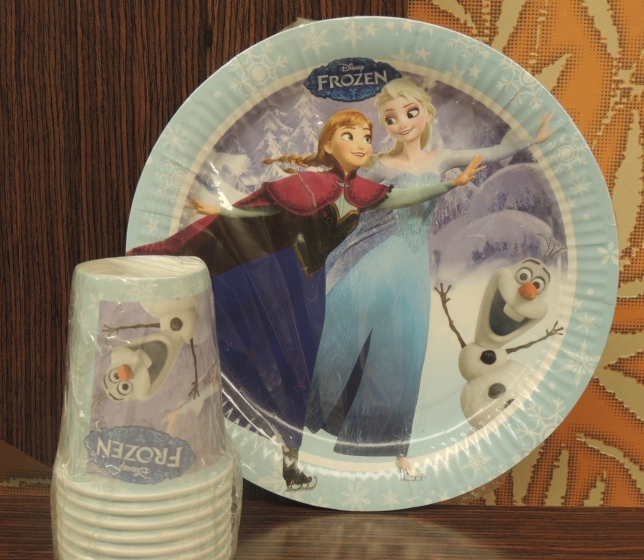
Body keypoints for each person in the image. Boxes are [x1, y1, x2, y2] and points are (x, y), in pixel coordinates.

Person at [129, 109, 481, 490]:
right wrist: (221, 211)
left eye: (366, 137)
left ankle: (290, 462)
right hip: (278, 276)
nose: (362, 144)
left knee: (300, 371)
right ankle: (211, 406)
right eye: (350, 136)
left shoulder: (365, 193)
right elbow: (264, 208)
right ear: (328, 145)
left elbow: (406, 196)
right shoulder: (309, 185)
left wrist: (451, 184)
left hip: (310, 290)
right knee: (257, 344)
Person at [306, 79, 556, 481]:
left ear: (427, 114)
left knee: (400, 352)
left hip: (411, 267)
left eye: (410, 113)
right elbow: (342, 179)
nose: (402, 123)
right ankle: (310, 416)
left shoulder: (442, 159)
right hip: (380, 260)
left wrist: (533, 140)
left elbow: (489, 153)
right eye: (391, 118)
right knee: (339, 329)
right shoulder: (379, 164)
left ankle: (382, 444)